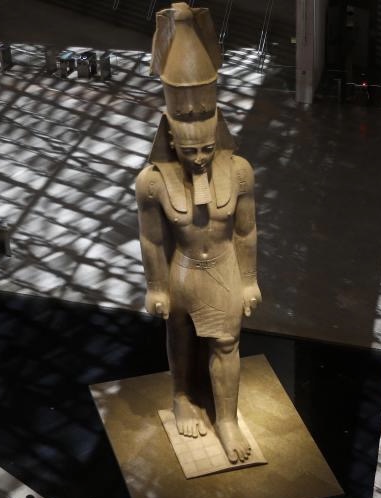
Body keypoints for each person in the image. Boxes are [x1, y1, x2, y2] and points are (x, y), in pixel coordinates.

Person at [135, 2, 261, 464]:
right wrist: (156, 287)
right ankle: (181, 397)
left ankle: (226, 420)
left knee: (227, 343)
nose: (201, 158)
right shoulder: (152, 181)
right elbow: (152, 239)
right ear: (171, 140)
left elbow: (246, 231)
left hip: (223, 266)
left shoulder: (239, 171)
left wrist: (250, 280)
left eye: (207, 148)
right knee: (181, 334)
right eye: (190, 152)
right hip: (182, 269)